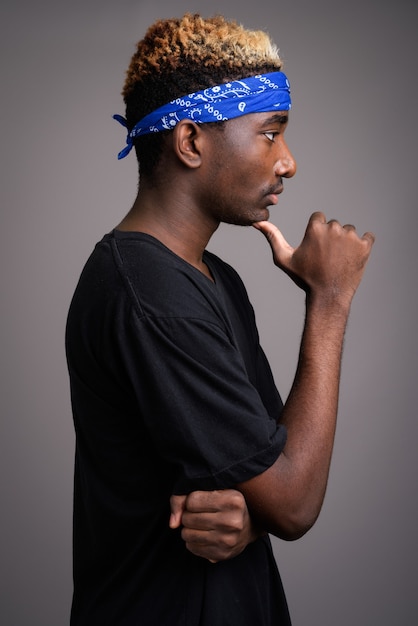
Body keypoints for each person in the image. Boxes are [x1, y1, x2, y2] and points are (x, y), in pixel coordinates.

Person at [65, 12, 375, 626]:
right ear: (190, 143)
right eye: (269, 132)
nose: (287, 161)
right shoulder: (150, 294)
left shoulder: (211, 278)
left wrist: (252, 514)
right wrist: (330, 299)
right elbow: (293, 500)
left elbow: (270, 464)